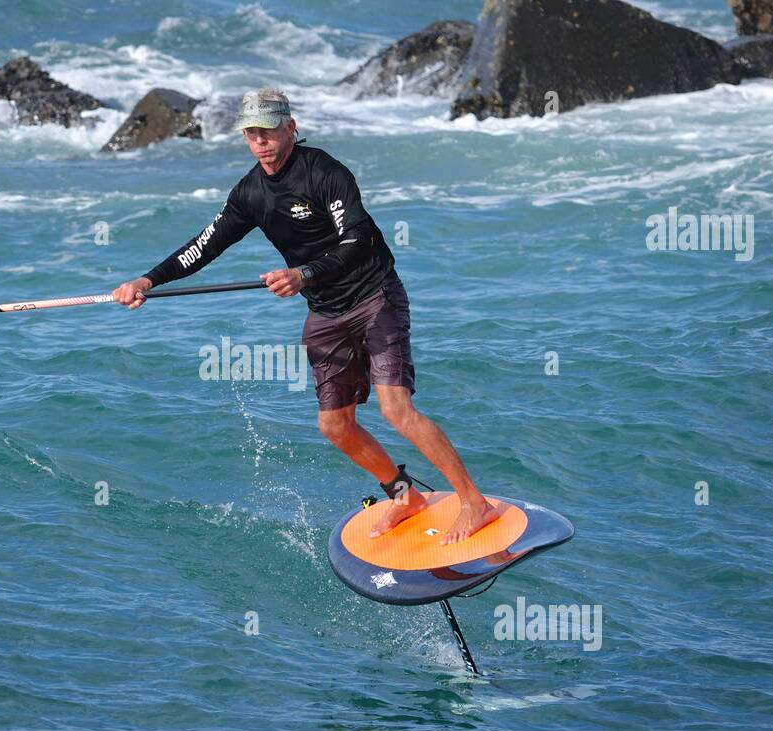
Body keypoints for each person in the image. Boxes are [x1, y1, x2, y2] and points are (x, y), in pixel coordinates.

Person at [113, 88, 502, 543]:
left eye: (269, 131)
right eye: (251, 133)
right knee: (334, 425)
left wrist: (304, 273)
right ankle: (404, 496)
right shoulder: (250, 193)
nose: (261, 142)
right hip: (326, 312)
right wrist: (148, 280)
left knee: (396, 410)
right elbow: (205, 244)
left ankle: (475, 503)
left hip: (375, 299)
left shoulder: (325, 172)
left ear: (290, 128)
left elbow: (357, 239)